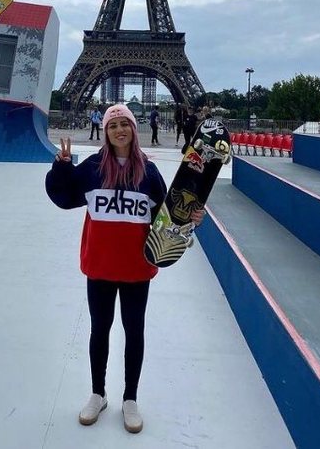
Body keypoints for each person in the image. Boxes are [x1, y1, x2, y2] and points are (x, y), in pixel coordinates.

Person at [45, 104, 203, 434]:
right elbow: (62, 196)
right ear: (106, 131)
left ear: (133, 129)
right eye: (113, 124)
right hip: (100, 266)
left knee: (134, 331)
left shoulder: (149, 172)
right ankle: (97, 394)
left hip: (136, 267)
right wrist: (60, 168)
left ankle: (130, 398)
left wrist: (190, 219)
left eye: (125, 124)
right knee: (99, 330)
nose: (120, 129)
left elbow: (167, 217)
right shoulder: (91, 169)